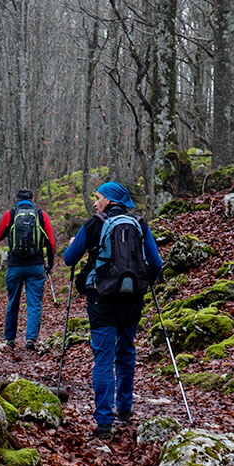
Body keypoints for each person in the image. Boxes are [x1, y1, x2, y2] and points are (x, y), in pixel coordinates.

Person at [63, 181, 163, 440]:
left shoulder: (93, 224)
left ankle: (104, 422)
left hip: (101, 300)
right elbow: (157, 263)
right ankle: (125, 410)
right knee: (127, 349)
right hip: (133, 299)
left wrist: (76, 242)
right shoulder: (139, 224)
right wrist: (144, 282)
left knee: (104, 358)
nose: (95, 202)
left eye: (98, 197)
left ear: (108, 199)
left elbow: (69, 259)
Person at [0, 189, 56, 351]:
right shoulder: (41, 216)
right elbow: (51, 242)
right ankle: (30, 339)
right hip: (36, 266)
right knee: (34, 304)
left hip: (14, 266)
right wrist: (50, 263)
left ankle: (10, 340)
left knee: (13, 302)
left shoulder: (11, 214)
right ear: (32, 199)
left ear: (16, 199)